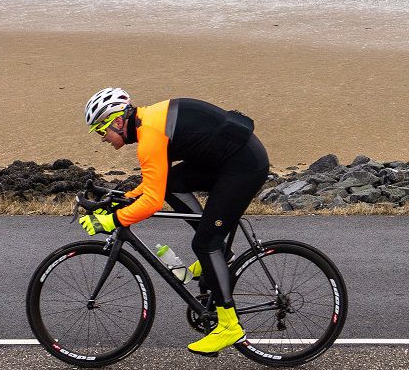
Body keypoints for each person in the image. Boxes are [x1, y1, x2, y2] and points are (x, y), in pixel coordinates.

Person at [78, 87, 269, 354]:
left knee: (205, 244)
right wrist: (120, 198)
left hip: (243, 165)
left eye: (101, 130)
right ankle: (219, 250)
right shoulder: (147, 125)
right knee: (174, 184)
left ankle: (229, 326)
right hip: (230, 157)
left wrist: (113, 221)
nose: (102, 139)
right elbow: (154, 183)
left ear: (118, 122)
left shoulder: (150, 137)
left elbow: (152, 202)